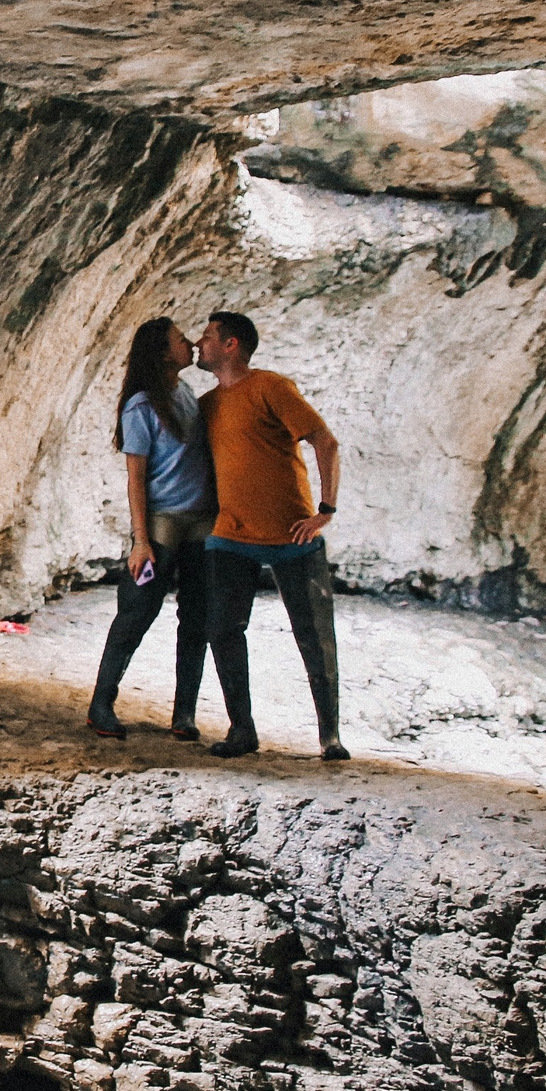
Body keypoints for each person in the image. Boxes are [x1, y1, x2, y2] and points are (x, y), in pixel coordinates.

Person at [194, 310, 348, 761]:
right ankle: (242, 731)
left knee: (315, 635)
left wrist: (325, 511)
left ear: (231, 344)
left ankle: (330, 737)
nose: (200, 343)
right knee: (223, 630)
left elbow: (325, 441)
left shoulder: (270, 386)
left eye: (207, 336)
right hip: (230, 534)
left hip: (292, 533)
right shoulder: (207, 405)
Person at [88, 318, 216, 740]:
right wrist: (141, 540)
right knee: (137, 611)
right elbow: (136, 477)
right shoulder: (141, 406)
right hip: (163, 524)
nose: (190, 343)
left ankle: (184, 714)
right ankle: (101, 705)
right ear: (163, 354)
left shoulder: (185, 393)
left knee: (196, 617)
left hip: (201, 520)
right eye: (180, 340)